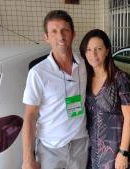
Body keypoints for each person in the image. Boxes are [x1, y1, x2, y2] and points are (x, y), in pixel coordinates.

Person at [22, 10, 89, 169]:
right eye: (54, 31)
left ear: (73, 34)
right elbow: (30, 116)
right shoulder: (38, 73)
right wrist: (27, 158)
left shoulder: (84, 65)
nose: (60, 36)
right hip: (50, 149)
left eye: (65, 30)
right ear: (46, 37)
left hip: (80, 145)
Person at [80, 29, 130, 169]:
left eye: (98, 49)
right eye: (89, 49)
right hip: (89, 147)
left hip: (113, 150)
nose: (93, 54)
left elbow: (129, 119)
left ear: (107, 51)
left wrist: (123, 153)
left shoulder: (120, 78)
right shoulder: (84, 78)